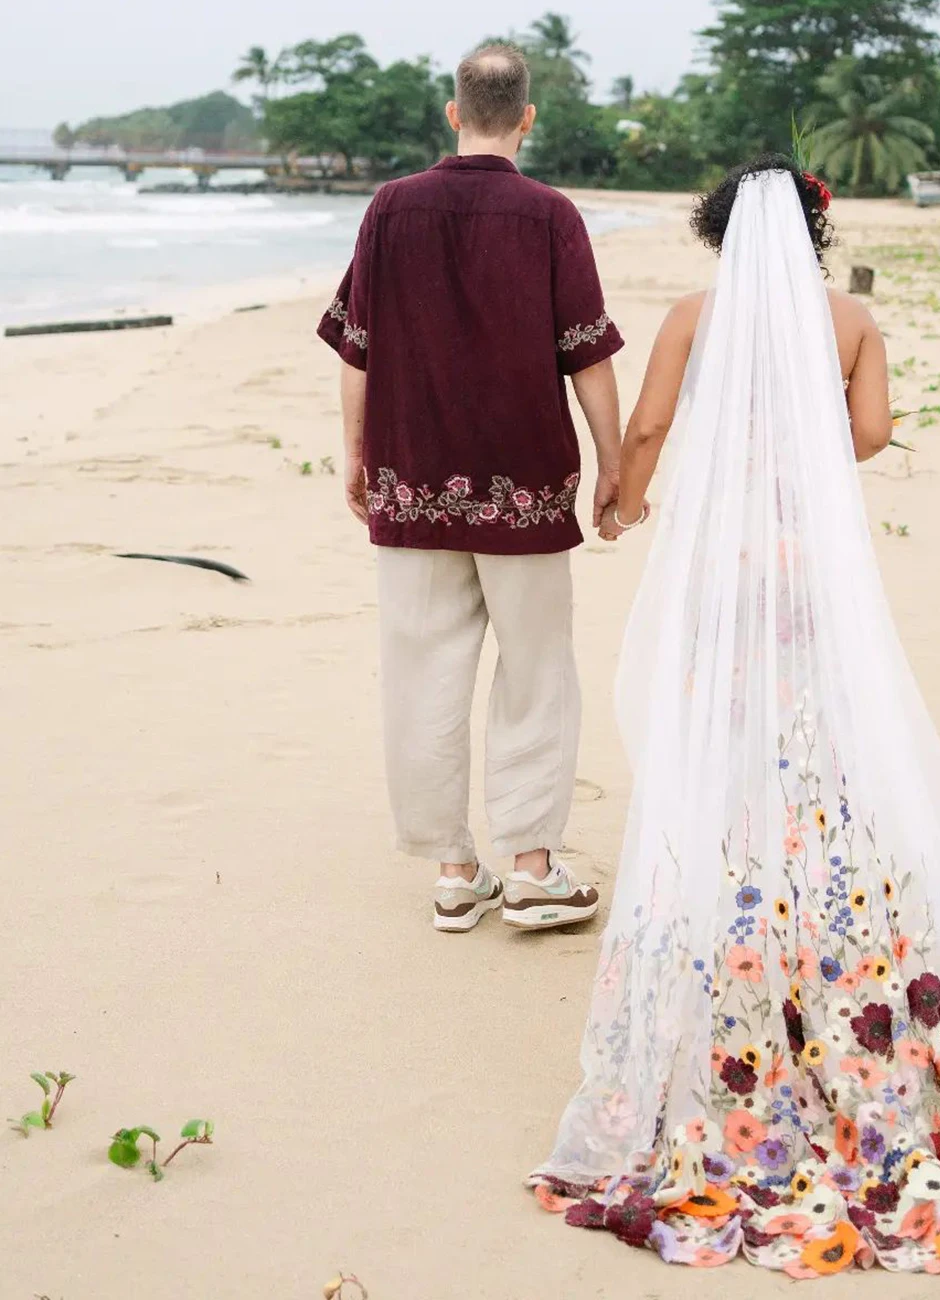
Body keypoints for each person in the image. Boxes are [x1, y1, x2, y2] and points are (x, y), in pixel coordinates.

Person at [530, 156, 940, 1276]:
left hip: (723, 567)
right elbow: (867, 436)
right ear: (816, 228)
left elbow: (649, 429)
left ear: (719, 229)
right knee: (815, 747)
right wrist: (804, 429)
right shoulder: (851, 317)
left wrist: (621, 496)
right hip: (808, 566)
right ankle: (827, 937)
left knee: (725, 752)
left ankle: (742, 932)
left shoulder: (688, 315)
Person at [317, 43, 620, 933]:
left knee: (423, 671)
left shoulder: (391, 208)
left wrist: (355, 452)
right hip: (526, 481)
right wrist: (611, 468)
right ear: (527, 117)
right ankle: (530, 865)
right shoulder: (551, 214)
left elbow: (356, 344)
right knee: (537, 672)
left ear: (454, 112)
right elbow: (588, 352)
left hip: (412, 474)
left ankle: (454, 872)